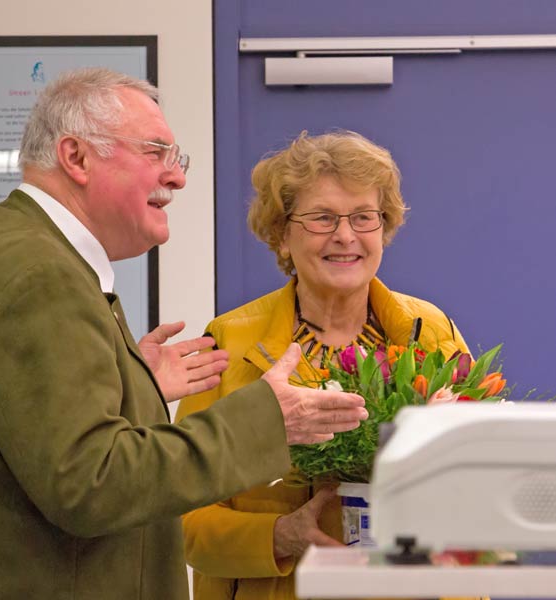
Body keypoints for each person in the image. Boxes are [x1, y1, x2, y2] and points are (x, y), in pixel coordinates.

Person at [0, 69, 367, 599]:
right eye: (156, 152)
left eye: (177, 158)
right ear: (76, 158)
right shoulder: (38, 277)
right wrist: (268, 420)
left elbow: (41, 442)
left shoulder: (4, 251)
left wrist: (134, 385)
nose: (177, 178)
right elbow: (91, 483)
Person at [176, 131, 469, 600]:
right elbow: (181, 517)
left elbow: (478, 481)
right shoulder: (228, 342)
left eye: (363, 217)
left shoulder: (432, 331)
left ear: (384, 229)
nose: (346, 236)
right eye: (322, 218)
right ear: (282, 235)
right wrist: (279, 536)